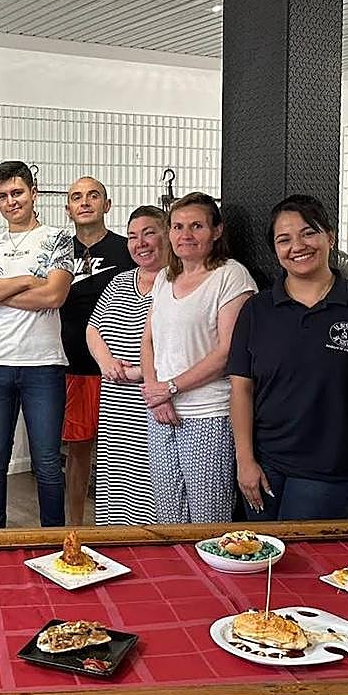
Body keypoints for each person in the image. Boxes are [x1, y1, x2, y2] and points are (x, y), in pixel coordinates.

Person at [227, 195, 348, 522]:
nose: (298, 245)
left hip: (331, 467)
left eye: (308, 232)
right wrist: (245, 461)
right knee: (260, 560)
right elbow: (241, 389)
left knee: (312, 566)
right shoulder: (258, 310)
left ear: (330, 236)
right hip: (265, 464)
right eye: (284, 239)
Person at [130, 192, 256, 524]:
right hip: (160, 412)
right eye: (177, 226)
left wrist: (170, 388)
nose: (185, 235)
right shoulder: (164, 277)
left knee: (207, 519)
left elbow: (229, 352)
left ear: (216, 231)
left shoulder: (231, 276)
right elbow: (148, 341)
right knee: (169, 516)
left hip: (208, 414)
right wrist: (155, 393)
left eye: (196, 226)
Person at [0, 161, 74, 529]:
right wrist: (28, 280)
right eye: (3, 196)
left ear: (33, 192)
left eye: (17, 193)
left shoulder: (57, 238)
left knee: (45, 461)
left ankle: (55, 543)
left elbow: (55, 296)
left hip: (44, 365)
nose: (11, 201)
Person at [85, 206, 168, 525]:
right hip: (115, 410)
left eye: (149, 233)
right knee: (115, 496)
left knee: (154, 496)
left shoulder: (177, 283)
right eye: (133, 236)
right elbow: (93, 329)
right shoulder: (120, 281)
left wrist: (135, 372)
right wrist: (106, 362)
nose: (141, 242)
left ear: (167, 236)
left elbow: (185, 349)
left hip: (154, 405)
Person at [60, 176, 134, 524]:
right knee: (77, 450)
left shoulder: (128, 250)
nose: (85, 202)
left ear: (107, 204)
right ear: (68, 208)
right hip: (70, 364)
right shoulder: (57, 251)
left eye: (93, 196)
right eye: (77, 197)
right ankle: (76, 528)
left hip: (119, 368)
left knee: (122, 453)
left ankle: (126, 524)